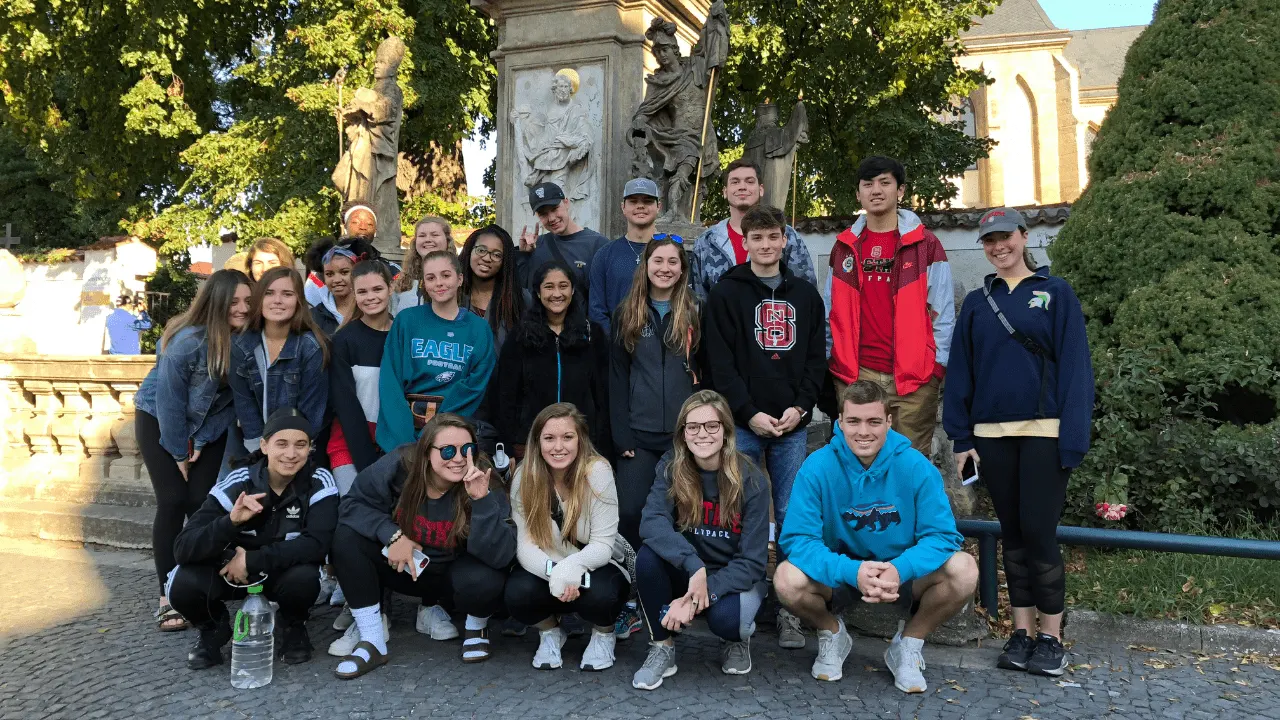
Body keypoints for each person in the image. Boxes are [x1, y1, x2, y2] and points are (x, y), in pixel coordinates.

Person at [944, 207, 1094, 677]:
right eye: (989, 240)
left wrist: (1073, 438)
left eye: (1005, 236)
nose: (998, 247)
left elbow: (1075, 369)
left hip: (1044, 434)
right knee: (1012, 535)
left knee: (1039, 534)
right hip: (991, 437)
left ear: (1025, 237)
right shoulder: (977, 302)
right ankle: (1021, 631)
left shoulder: (1056, 293)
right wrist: (960, 436)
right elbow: (960, 371)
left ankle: (1051, 636)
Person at [775, 380, 978, 693]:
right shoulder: (816, 467)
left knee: (964, 570)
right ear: (840, 422)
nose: (863, 432)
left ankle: (908, 644)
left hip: (901, 569)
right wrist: (851, 571)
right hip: (842, 572)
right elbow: (798, 541)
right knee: (787, 579)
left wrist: (899, 569)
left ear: (888, 421)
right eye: (853, 421)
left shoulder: (916, 466)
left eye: (873, 421)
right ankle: (832, 633)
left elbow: (941, 536)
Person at [703, 204, 826, 648]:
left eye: (774, 237)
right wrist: (748, 411)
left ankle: (791, 608)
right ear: (747, 242)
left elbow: (816, 359)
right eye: (758, 238)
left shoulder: (806, 295)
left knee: (793, 515)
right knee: (740, 515)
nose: (767, 245)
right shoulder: (727, 293)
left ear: (784, 240)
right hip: (743, 424)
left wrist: (801, 407)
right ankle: (740, 603)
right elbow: (721, 362)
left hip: (791, 425)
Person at [329, 414, 515, 676]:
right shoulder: (401, 464)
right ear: (427, 452)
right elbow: (352, 505)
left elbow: (502, 555)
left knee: (488, 575)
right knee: (347, 538)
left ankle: (476, 626)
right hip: (404, 564)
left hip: (453, 577)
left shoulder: (483, 476)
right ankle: (372, 639)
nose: (459, 458)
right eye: (448, 450)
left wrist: (481, 501)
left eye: (467, 449)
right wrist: (393, 536)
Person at [168, 408, 339, 669]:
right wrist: (231, 522)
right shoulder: (238, 481)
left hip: (278, 573)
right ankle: (213, 629)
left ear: (310, 448)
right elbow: (183, 547)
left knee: (304, 578)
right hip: (230, 572)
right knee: (182, 583)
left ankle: (293, 625)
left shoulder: (319, 480)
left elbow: (318, 545)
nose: (291, 454)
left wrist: (252, 560)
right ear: (264, 445)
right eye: (281, 444)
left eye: (300, 445)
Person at [135, 269, 252, 632]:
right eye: (234, 301)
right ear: (216, 302)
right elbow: (170, 402)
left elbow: (230, 404)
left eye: (249, 301)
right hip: (159, 419)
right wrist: (180, 452)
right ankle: (167, 595)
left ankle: (198, 584)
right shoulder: (188, 342)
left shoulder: (247, 342)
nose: (244, 308)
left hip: (211, 428)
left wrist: (200, 443)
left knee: (202, 502)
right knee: (172, 500)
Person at [631, 391, 769, 689]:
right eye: (692, 426)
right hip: (690, 569)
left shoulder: (752, 479)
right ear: (683, 433)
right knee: (647, 557)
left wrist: (694, 601)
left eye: (711, 426)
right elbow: (652, 522)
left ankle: (735, 641)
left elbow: (753, 562)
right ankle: (662, 645)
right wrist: (694, 566)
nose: (701, 434)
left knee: (729, 620)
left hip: (733, 577)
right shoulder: (671, 467)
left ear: (726, 431)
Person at [824, 155, 954, 455]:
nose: (876, 190)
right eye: (868, 184)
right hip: (856, 376)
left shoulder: (926, 245)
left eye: (885, 182)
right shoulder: (844, 247)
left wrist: (936, 369)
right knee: (858, 463)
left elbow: (943, 312)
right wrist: (835, 362)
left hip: (915, 379)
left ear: (901, 191)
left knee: (909, 466)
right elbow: (829, 312)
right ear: (858, 194)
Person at [505, 403, 631, 672]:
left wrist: (571, 569)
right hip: (547, 564)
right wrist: (557, 574)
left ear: (580, 439)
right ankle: (550, 631)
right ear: (537, 441)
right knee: (517, 593)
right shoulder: (524, 476)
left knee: (603, 595)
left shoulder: (597, 471)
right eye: (549, 438)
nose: (558, 446)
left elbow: (602, 545)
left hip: (594, 562)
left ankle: (603, 633)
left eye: (567, 437)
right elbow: (525, 546)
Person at [377, 251, 496, 451]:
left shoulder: (478, 328)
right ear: (424, 283)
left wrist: (433, 433)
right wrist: (404, 441)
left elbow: (475, 386)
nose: (439, 282)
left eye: (446, 275)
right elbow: (390, 381)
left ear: (459, 279)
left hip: (453, 428)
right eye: (431, 278)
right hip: (404, 431)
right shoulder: (407, 320)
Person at [490, 260, 609, 457]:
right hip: (530, 443)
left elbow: (602, 395)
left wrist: (602, 445)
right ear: (538, 292)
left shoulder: (591, 334)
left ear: (572, 291)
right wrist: (506, 446)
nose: (556, 294)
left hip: (580, 442)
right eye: (549, 287)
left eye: (563, 286)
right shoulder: (521, 335)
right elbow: (505, 394)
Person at [229, 267, 330, 457]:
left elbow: (311, 414)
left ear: (298, 300)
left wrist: (286, 452)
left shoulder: (311, 348)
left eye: (287, 294)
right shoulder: (240, 344)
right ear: (259, 299)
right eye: (269, 293)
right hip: (256, 447)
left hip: (298, 450)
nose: (277, 301)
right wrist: (261, 455)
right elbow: (245, 406)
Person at [689, 159, 817, 301]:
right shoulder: (707, 242)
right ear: (725, 191)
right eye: (735, 182)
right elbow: (698, 300)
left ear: (761, 189)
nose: (742, 187)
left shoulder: (787, 236)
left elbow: (806, 294)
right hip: (722, 321)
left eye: (749, 181)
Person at [328, 260, 396, 495]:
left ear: (391, 288)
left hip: (395, 440)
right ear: (354, 295)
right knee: (354, 511)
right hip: (350, 441)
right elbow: (346, 406)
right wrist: (369, 468)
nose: (371, 297)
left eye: (377, 289)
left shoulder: (403, 335)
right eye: (362, 291)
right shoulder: (343, 340)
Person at [588, 177, 665, 334]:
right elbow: (597, 310)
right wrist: (615, 345)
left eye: (648, 201)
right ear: (623, 207)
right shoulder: (605, 255)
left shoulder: (671, 253)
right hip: (617, 346)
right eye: (633, 201)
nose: (640, 206)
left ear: (659, 207)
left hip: (661, 348)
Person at [515, 182, 610, 299]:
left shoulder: (598, 244)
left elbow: (606, 297)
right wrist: (523, 255)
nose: (551, 218)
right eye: (543, 214)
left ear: (566, 202)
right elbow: (522, 293)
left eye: (555, 209)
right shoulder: (536, 246)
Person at [457, 225, 527, 355]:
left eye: (496, 255)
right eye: (481, 250)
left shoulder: (521, 298)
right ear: (469, 251)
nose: (487, 258)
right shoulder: (452, 295)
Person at [393, 216, 456, 315]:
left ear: (447, 240)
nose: (428, 240)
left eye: (434, 235)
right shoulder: (402, 281)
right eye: (422, 236)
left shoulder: (458, 277)